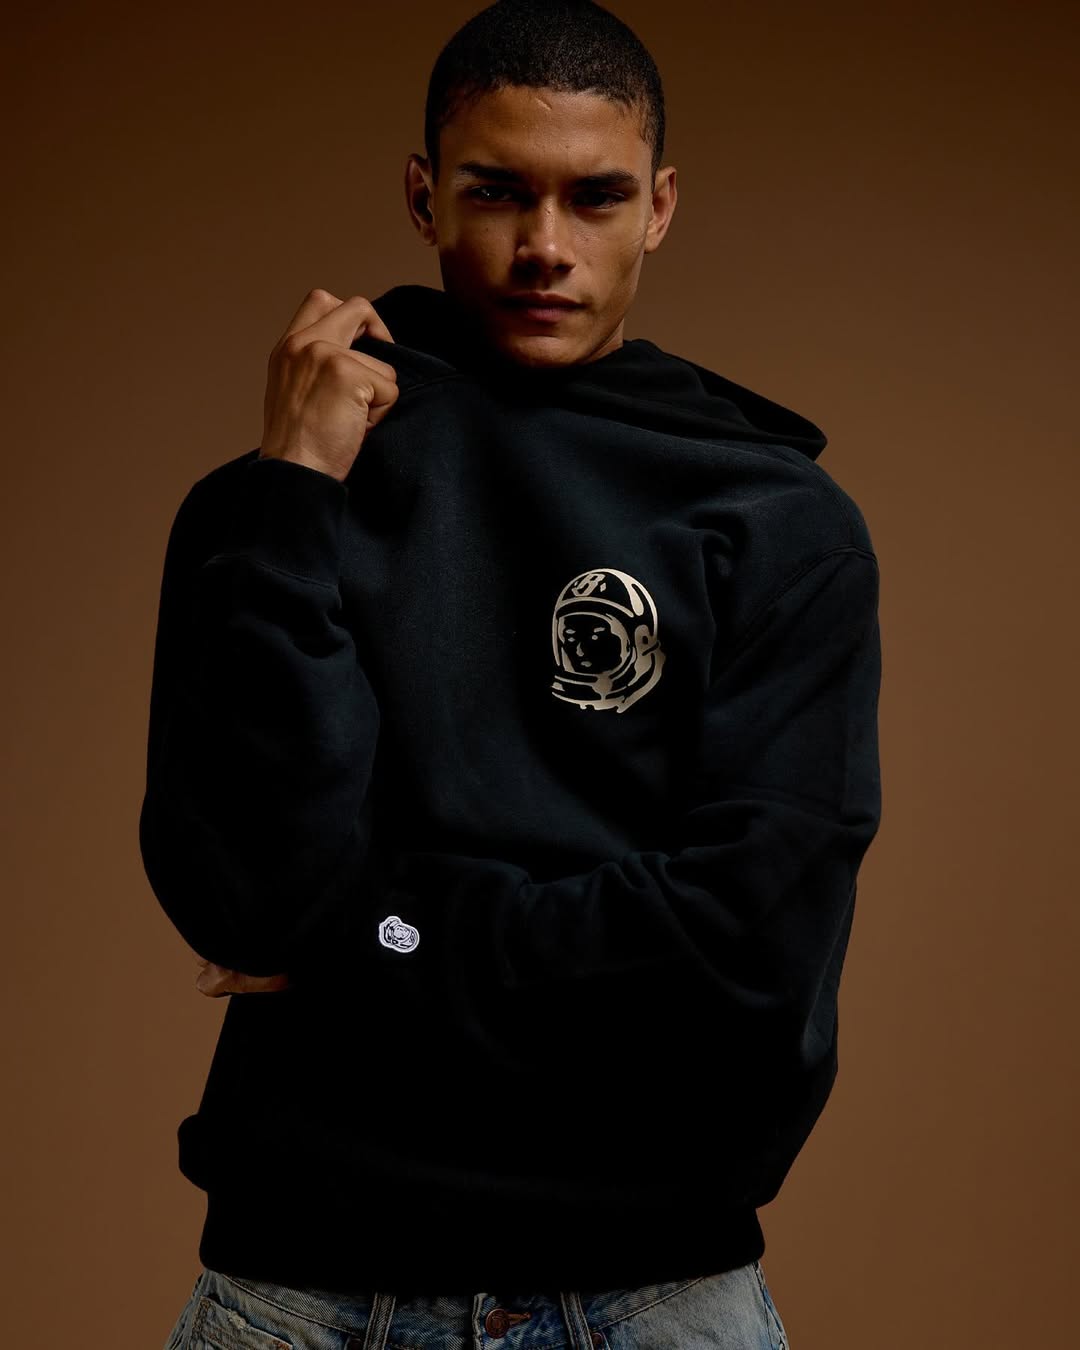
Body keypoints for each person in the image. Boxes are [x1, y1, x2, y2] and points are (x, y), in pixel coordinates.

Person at [143, 1, 882, 1347]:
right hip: (306, 1289)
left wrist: (373, 933)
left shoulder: (775, 519)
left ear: (659, 208)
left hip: (652, 1291)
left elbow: (742, 953)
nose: (546, 246)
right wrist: (295, 486)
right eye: (497, 192)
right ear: (424, 195)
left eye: (595, 197)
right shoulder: (274, 508)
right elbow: (248, 893)